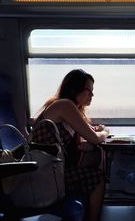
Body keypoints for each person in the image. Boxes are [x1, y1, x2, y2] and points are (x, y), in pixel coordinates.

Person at [31, 69, 109, 221]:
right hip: (44, 174)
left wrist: (90, 141)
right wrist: (105, 132)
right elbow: (94, 138)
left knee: (95, 167)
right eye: (89, 91)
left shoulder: (69, 109)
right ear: (75, 89)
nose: (92, 95)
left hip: (52, 170)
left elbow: (82, 142)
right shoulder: (64, 105)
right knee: (98, 178)